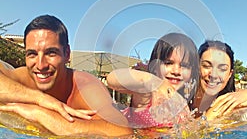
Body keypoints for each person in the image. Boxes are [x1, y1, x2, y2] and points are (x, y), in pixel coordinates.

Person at [0, 15, 132, 137]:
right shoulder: (20, 78)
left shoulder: (85, 87)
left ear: (67, 54)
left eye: (51, 53)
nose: (40, 65)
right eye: (32, 54)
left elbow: (122, 131)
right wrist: (40, 99)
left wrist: (40, 114)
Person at [107, 32, 199, 128]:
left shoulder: (182, 105)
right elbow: (113, 78)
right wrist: (152, 81)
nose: (176, 71)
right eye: (168, 63)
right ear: (155, 67)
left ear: (191, 72)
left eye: (184, 66)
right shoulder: (147, 95)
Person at [189, 40, 247, 120]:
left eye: (222, 69)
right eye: (206, 66)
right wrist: (209, 116)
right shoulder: (184, 98)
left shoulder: (229, 96)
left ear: (230, 74)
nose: (213, 75)